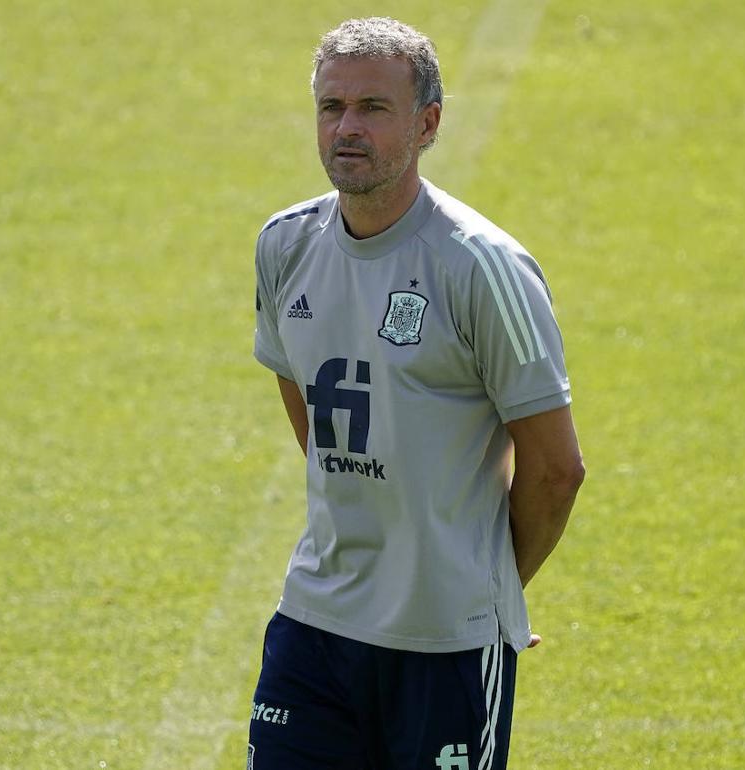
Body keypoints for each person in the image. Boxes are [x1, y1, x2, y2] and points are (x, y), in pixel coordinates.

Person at [247, 16, 585, 770]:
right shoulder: (285, 246)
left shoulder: (482, 268)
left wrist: (492, 587)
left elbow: (556, 468)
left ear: (427, 123)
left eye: (374, 108)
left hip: (445, 646)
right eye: (332, 107)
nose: (347, 128)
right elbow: (313, 418)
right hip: (317, 626)